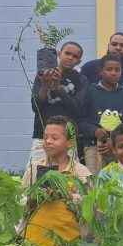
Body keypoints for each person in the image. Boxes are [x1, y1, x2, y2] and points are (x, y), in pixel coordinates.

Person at [19, 115, 91, 246]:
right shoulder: (34, 169)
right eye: (45, 137)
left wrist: (68, 196)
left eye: (55, 138)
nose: (48, 142)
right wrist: (33, 199)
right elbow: (19, 201)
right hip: (35, 242)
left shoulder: (81, 173)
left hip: (68, 242)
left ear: (70, 143)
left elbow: (90, 209)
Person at [29, 41, 88, 170]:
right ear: (59, 54)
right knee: (37, 176)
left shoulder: (81, 80)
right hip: (43, 136)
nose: (70, 58)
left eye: (75, 56)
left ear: (79, 61)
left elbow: (77, 108)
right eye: (67, 53)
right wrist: (45, 85)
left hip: (68, 139)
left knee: (68, 179)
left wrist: (58, 87)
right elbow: (36, 107)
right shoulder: (43, 75)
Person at [79, 55, 123, 175]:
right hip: (94, 147)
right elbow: (80, 121)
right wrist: (94, 131)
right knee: (94, 183)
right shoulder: (89, 92)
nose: (113, 73)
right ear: (100, 71)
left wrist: (115, 141)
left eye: (117, 70)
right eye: (109, 69)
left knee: (118, 183)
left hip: (118, 148)